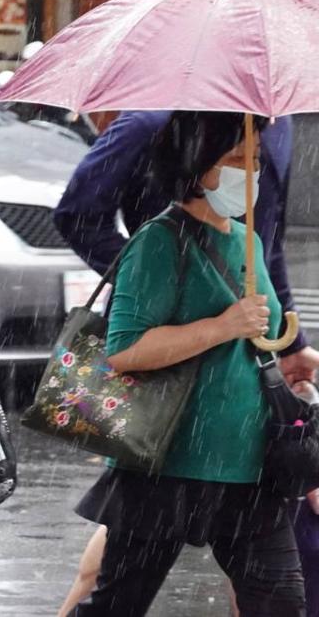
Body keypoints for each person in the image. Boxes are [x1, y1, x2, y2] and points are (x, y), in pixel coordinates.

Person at [55, 111, 319, 616]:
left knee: (281, 602)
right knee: (117, 604)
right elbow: (126, 348)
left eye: (256, 159)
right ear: (196, 167)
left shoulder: (250, 241)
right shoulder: (158, 242)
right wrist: (221, 326)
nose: (251, 171)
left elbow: (256, 331)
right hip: (167, 465)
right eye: (235, 159)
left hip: (248, 466)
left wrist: (286, 345)